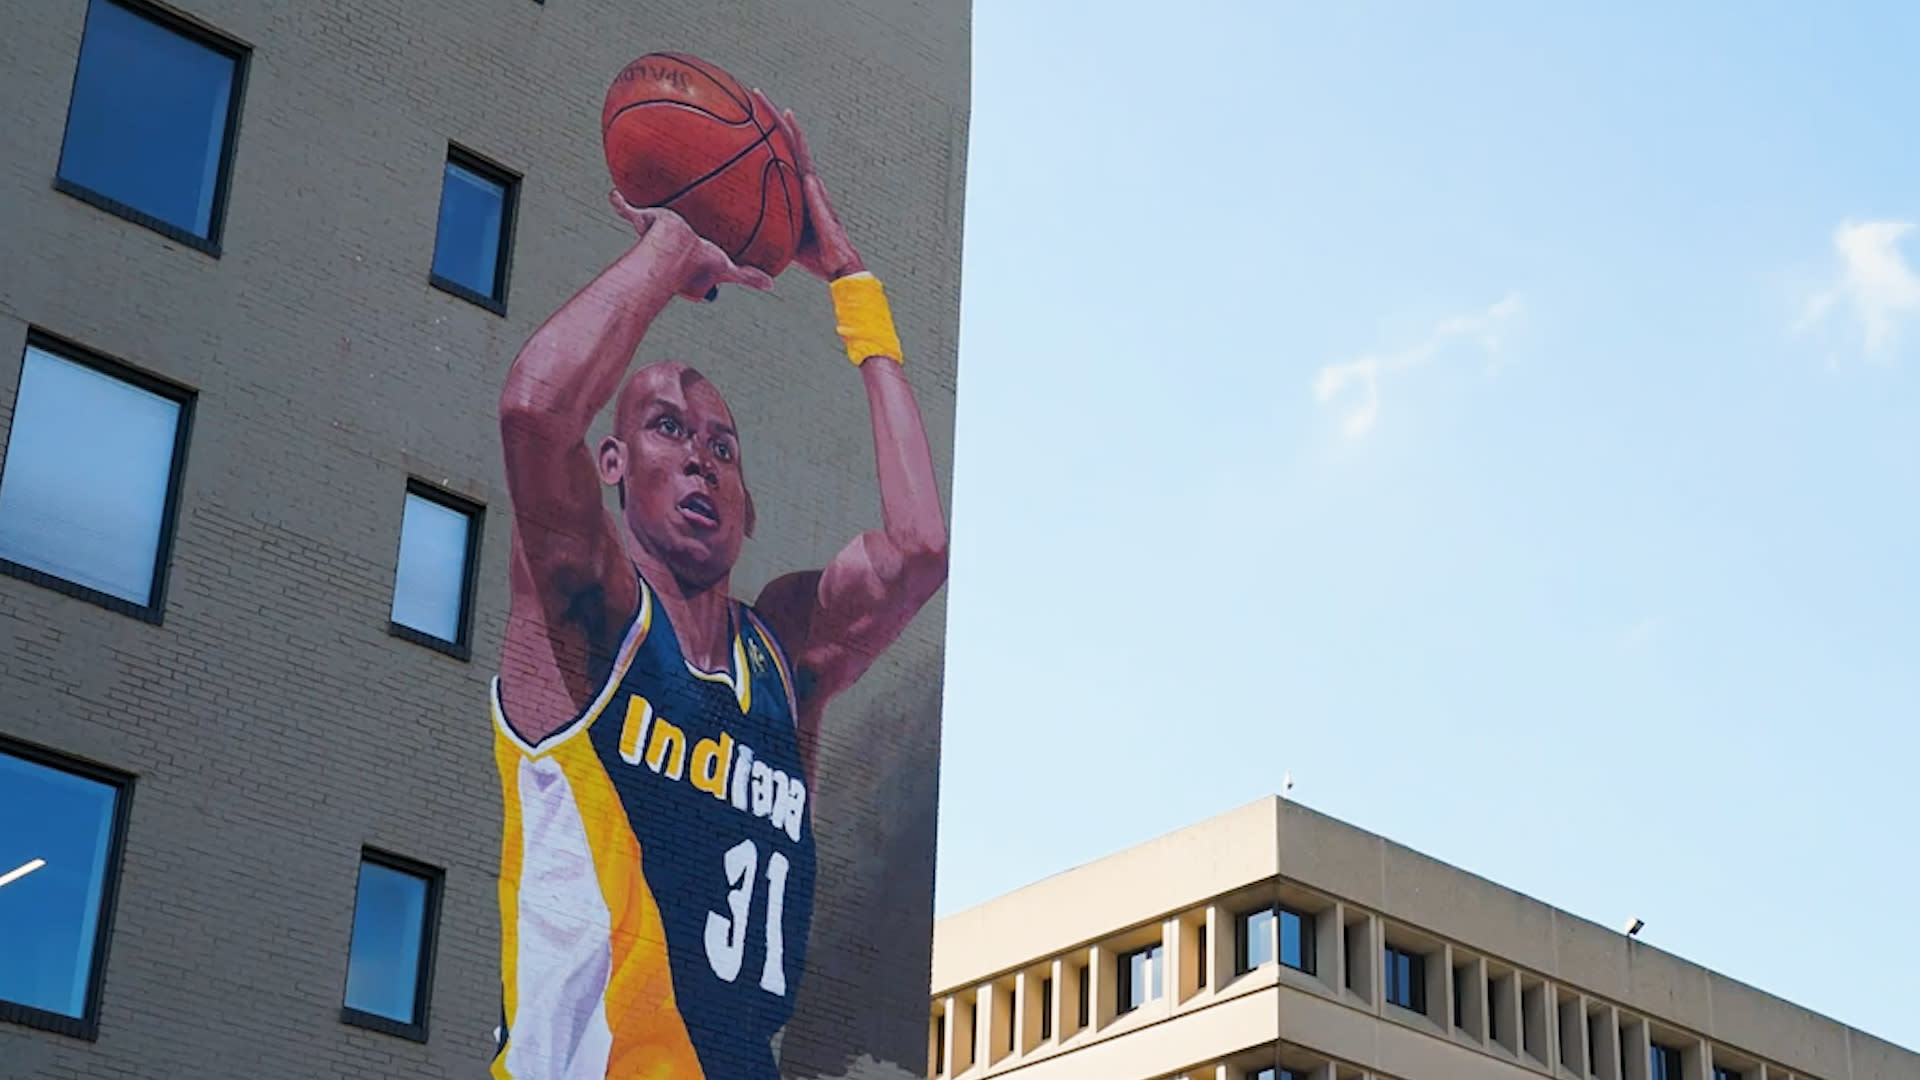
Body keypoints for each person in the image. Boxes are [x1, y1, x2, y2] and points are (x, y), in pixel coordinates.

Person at [487, 96, 949, 1080]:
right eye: (667, 429)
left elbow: (919, 548)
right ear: (611, 465)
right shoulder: (587, 611)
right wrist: (669, 252)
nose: (699, 457)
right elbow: (534, 408)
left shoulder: (783, 658)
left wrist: (857, 288)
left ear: (748, 503)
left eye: (722, 445)